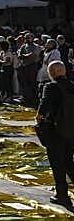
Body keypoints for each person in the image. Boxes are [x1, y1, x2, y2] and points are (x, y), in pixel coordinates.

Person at [36, 60, 74, 209]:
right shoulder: (71, 86)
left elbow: (43, 108)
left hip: (55, 130)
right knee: (68, 161)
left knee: (57, 163)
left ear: (52, 73)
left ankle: (62, 195)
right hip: (71, 131)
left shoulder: (51, 87)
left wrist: (39, 119)